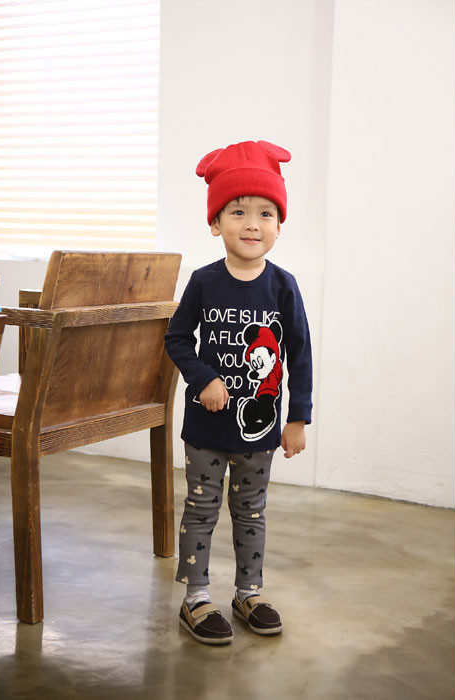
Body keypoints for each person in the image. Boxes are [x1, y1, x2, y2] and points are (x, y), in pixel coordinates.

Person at [164, 140, 313, 645]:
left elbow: (300, 354)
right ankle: (196, 597)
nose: (253, 224)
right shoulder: (203, 283)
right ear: (215, 223)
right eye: (238, 211)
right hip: (206, 430)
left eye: (266, 213)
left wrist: (297, 419)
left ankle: (248, 592)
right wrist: (204, 378)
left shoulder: (283, 287)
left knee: (251, 511)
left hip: (259, 431)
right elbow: (177, 339)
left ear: (279, 225)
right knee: (201, 508)